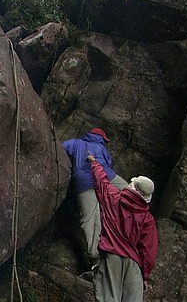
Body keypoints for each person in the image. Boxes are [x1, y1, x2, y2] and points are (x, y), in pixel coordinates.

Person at [87, 152, 158, 302]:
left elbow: (102, 183)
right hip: (134, 265)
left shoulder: (114, 198)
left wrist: (94, 163)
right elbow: (148, 250)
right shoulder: (147, 219)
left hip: (112, 257)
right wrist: (145, 276)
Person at [63, 128, 128, 263]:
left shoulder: (76, 143)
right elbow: (109, 163)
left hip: (83, 181)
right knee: (127, 191)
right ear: (101, 138)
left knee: (89, 217)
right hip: (104, 176)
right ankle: (137, 205)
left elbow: (62, 148)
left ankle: (93, 252)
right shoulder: (100, 147)